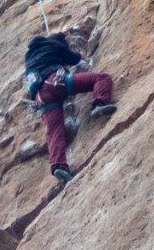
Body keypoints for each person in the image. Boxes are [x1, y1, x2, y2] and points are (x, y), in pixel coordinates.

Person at [25, 31, 117, 185]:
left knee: (55, 131)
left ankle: (58, 166)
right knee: (102, 78)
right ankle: (99, 104)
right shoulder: (53, 45)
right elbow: (72, 58)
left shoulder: (29, 58)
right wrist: (81, 56)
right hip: (55, 82)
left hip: (41, 98)